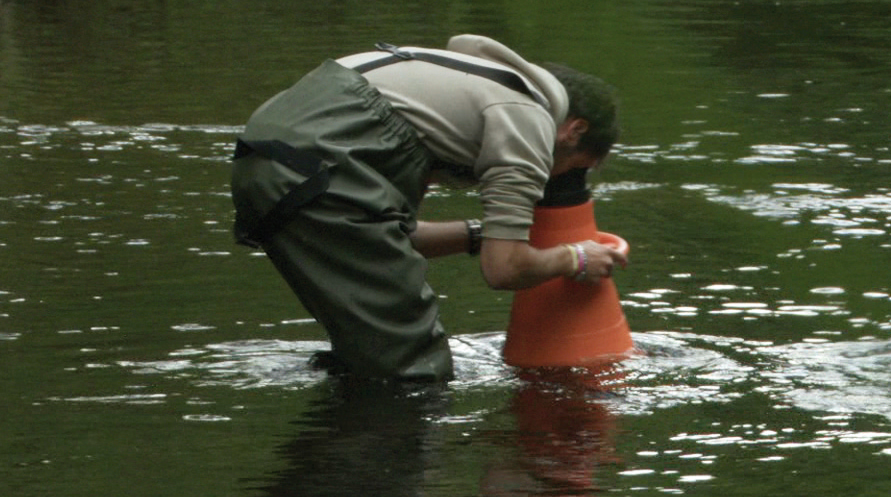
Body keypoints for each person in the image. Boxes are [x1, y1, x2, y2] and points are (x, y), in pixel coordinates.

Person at [230, 35, 626, 382]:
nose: (556, 184)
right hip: (322, 169)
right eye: (574, 172)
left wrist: (479, 236)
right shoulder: (528, 120)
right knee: (415, 369)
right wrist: (574, 257)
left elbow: (397, 235)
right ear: (574, 130)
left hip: (266, 160)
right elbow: (504, 269)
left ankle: (345, 454)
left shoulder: (454, 85)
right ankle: (381, 461)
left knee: (369, 353)